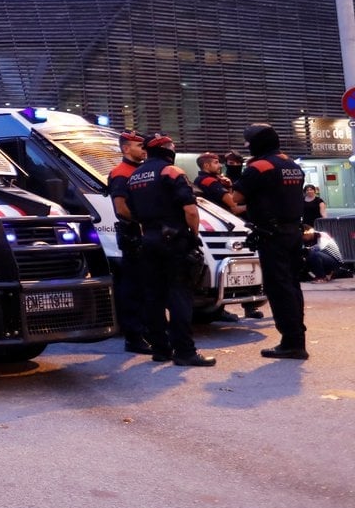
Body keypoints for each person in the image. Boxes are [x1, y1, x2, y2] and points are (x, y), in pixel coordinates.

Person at [122, 133, 216, 366]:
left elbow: (131, 211)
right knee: (179, 295)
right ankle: (184, 351)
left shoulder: (134, 176)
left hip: (149, 239)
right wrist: (193, 236)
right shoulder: (171, 172)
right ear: (167, 150)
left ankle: (161, 349)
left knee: (153, 296)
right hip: (174, 240)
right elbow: (191, 211)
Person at [231, 123, 309, 360]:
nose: (247, 147)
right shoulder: (291, 165)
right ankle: (297, 338)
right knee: (292, 286)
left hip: (272, 235)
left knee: (279, 288)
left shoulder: (259, 167)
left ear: (257, 143)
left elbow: (236, 198)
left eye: (248, 143)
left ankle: (291, 343)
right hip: (293, 232)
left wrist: (235, 173)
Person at [193, 152, 264, 320]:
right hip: (224, 228)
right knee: (229, 271)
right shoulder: (208, 181)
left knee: (236, 271)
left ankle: (245, 307)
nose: (220, 166)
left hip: (226, 227)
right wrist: (257, 205)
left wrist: (230, 186)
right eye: (216, 163)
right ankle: (229, 309)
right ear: (206, 165)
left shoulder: (211, 180)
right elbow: (232, 204)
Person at [106, 130, 151, 353]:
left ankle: (147, 331)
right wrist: (144, 220)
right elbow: (121, 208)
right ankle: (134, 337)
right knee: (133, 287)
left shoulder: (140, 170)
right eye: (138, 145)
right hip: (133, 234)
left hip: (144, 234)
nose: (143, 149)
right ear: (126, 148)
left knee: (147, 286)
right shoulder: (121, 173)